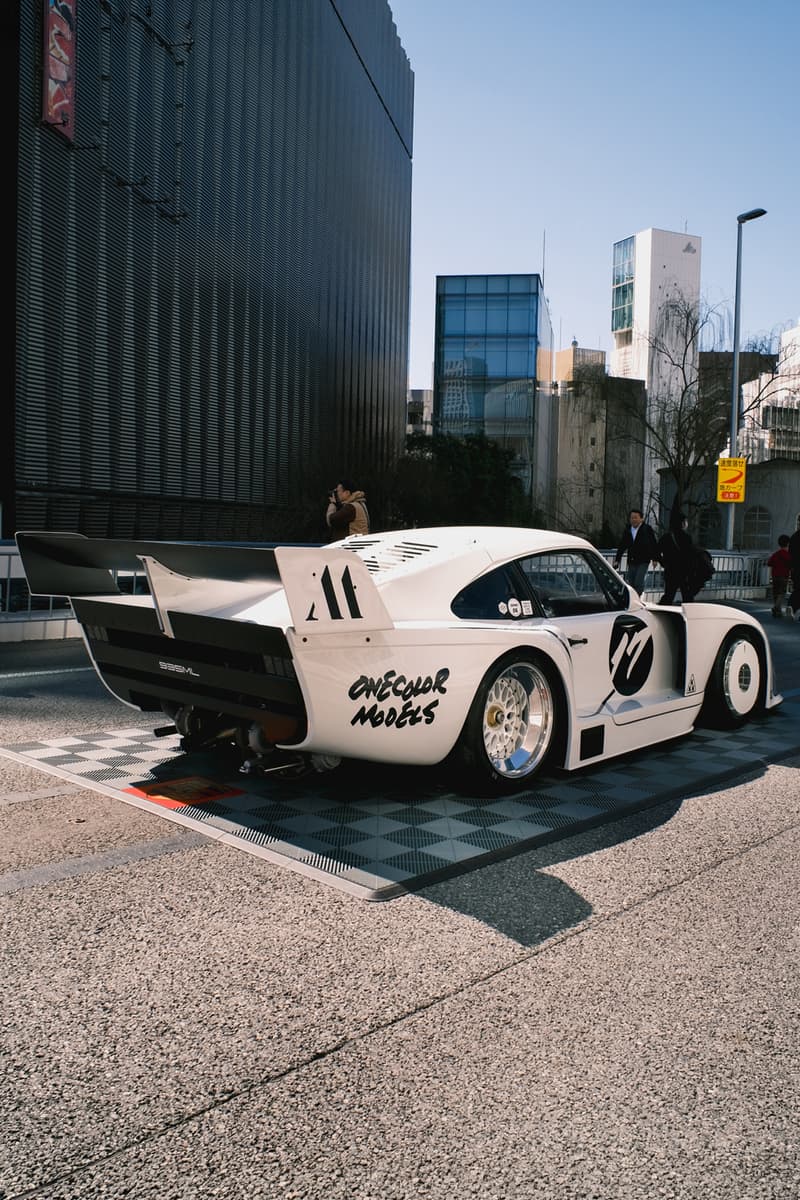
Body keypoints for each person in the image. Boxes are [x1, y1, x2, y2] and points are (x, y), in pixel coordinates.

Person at [613, 509, 660, 596]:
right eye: (631, 518)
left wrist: (655, 558)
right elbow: (622, 545)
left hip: (643, 560)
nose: (633, 520)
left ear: (641, 519)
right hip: (632, 560)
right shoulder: (628, 530)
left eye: (635, 518)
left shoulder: (647, 529)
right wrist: (617, 559)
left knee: (638, 581)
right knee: (631, 582)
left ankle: (637, 598)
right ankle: (631, 599)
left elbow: (653, 544)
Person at [657, 509, 696, 605]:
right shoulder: (687, 537)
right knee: (687, 596)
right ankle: (689, 615)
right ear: (682, 523)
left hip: (670, 569)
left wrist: (663, 563)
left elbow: (656, 551)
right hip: (684, 571)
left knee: (669, 594)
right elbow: (691, 555)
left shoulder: (666, 537)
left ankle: (663, 614)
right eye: (685, 522)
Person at [766, 534, 792, 617]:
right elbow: (791, 565)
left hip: (774, 576)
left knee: (776, 593)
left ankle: (778, 611)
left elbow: (769, 563)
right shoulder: (788, 554)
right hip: (784, 576)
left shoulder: (776, 554)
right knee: (782, 593)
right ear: (788, 544)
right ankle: (776, 607)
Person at [788, 518, 800, 621]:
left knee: (797, 589)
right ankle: (793, 607)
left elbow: (790, 554)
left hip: (796, 569)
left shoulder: (794, 537)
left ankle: (791, 606)